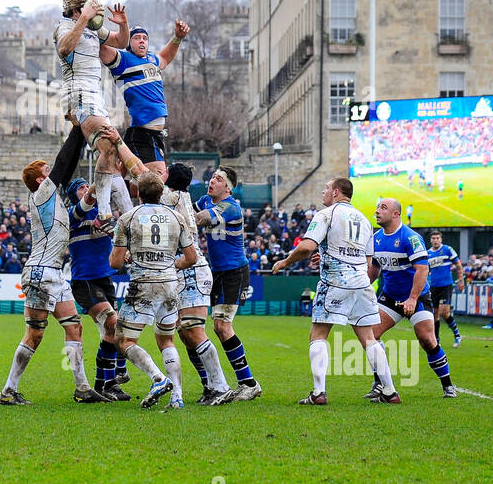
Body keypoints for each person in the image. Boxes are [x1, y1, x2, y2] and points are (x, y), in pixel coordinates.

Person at [0, 124, 110, 405]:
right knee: (35, 334)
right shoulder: (42, 195)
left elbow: (67, 167)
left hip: (53, 274)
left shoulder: (54, 201)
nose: (52, 173)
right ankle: (8, 391)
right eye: (46, 171)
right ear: (39, 180)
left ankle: (82, 388)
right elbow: (64, 162)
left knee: (74, 327)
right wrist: (77, 129)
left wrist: (85, 136)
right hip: (40, 272)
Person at [271, 176, 396, 404]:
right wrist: (328, 256)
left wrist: (284, 262)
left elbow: (307, 246)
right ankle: (389, 390)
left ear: (337, 192)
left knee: (318, 334)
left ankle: (318, 393)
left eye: (326, 188)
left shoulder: (326, 214)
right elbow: (368, 261)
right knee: (369, 338)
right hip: (361, 283)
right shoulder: (364, 220)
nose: (324, 192)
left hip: (335, 282)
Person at [109, 171, 198, 409]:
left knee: (124, 340)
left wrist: (128, 256)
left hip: (143, 283)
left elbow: (115, 263)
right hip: (170, 284)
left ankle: (158, 379)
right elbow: (191, 257)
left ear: (137, 192)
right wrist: (170, 265)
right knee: (167, 340)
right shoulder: (177, 217)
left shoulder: (128, 218)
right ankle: (177, 397)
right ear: (161, 193)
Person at [158, 162, 235, 406]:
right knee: (184, 333)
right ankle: (211, 386)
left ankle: (221, 386)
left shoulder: (172, 196)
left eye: (163, 172)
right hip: (186, 269)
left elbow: (141, 174)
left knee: (193, 330)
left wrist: (119, 145)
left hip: (191, 269)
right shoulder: (178, 197)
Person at [53, 0, 130, 220]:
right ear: (79, 9)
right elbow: (64, 49)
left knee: (111, 153)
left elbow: (121, 42)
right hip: (79, 94)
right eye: (91, 9)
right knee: (108, 144)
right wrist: (83, 19)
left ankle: (124, 214)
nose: (96, 16)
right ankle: (109, 213)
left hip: (96, 96)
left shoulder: (93, 29)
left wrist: (122, 23)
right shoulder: (66, 26)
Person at [369, 197, 456, 397]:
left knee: (426, 339)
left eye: (383, 207)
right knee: (371, 336)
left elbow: (422, 269)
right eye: (377, 207)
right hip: (390, 297)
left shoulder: (411, 237)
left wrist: (412, 299)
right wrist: (365, 286)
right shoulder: (375, 239)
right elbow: (374, 268)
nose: (377, 211)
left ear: (396, 214)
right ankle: (380, 384)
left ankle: (448, 385)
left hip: (417, 298)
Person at [195, 168, 262, 400]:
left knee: (223, 327)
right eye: (212, 177)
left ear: (229, 188)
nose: (212, 181)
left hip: (234, 272)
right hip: (218, 272)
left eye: (219, 179)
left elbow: (200, 218)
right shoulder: (205, 199)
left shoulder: (230, 207)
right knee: (218, 327)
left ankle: (249, 383)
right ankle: (243, 382)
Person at [64, 176, 131, 401]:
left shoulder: (105, 214)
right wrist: (102, 177)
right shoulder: (73, 214)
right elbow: (91, 197)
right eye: (80, 187)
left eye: (87, 185)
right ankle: (110, 380)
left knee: (112, 332)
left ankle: (106, 383)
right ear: (74, 194)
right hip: (85, 280)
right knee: (113, 322)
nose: (86, 189)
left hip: (104, 278)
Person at [100, 20, 189, 185]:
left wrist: (177, 37)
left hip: (153, 134)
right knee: (157, 179)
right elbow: (102, 48)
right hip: (143, 133)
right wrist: (91, 22)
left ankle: (104, 199)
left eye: (145, 38)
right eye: (137, 38)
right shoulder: (123, 60)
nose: (142, 40)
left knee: (132, 185)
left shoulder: (152, 59)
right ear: (129, 42)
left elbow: (165, 56)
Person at [426, 229, 464, 348]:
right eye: (433, 238)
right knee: (434, 315)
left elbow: (458, 265)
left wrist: (461, 280)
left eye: (437, 238)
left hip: (446, 285)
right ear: (430, 240)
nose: (435, 240)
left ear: (441, 239)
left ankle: (457, 335)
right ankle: (436, 341)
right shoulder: (428, 254)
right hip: (433, 287)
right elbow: (426, 271)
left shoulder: (447, 249)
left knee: (444, 312)